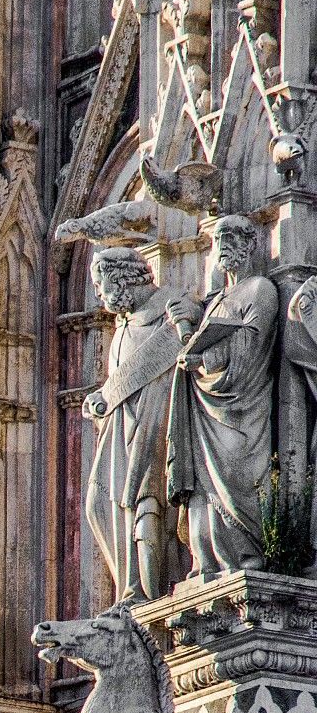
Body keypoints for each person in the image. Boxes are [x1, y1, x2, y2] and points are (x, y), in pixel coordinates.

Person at [165, 213, 279, 578]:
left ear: (252, 245)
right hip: (204, 408)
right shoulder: (216, 300)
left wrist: (205, 358)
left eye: (234, 237)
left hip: (241, 404)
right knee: (202, 489)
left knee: (236, 476)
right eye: (219, 239)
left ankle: (246, 557)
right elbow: (205, 340)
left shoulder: (260, 288)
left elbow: (253, 343)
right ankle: (206, 563)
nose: (225, 245)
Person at [83, 247, 180, 602]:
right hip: (119, 430)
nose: (98, 293)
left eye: (99, 284)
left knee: (146, 507)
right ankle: (129, 582)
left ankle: (145, 596)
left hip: (155, 423)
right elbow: (118, 385)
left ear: (121, 277)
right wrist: (100, 401)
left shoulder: (169, 306)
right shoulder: (122, 328)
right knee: (98, 503)